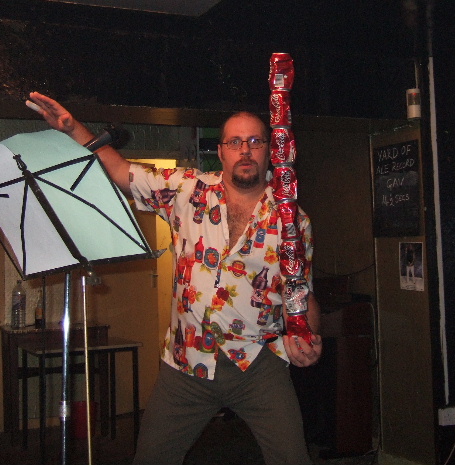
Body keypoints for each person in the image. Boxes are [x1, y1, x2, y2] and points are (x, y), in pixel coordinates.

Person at [27, 92, 323, 465]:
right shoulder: (188, 190)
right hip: (187, 363)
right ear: (221, 150)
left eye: (255, 141)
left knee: (293, 458)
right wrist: (74, 129)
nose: (245, 150)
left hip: (258, 364)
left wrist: (309, 336)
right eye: (235, 142)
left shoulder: (293, 220)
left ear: (269, 149)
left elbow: (301, 292)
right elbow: (121, 171)